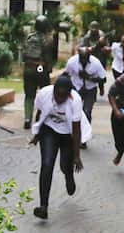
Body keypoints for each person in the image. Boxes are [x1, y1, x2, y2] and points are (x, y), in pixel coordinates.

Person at [28, 75, 87, 220]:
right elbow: (40, 113)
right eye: (57, 95)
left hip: (68, 134)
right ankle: (43, 207)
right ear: (53, 90)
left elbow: (76, 129)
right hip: (49, 130)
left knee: (64, 166)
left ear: (69, 95)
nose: (60, 99)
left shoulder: (76, 101)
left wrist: (77, 156)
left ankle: (69, 175)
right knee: (47, 165)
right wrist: (36, 134)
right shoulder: (44, 94)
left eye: (63, 96)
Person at [21, 15, 56, 129]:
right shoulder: (48, 40)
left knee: (29, 95)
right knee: (44, 94)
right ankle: (39, 116)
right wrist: (48, 69)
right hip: (40, 68)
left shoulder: (29, 37)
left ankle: (27, 118)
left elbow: (23, 54)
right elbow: (48, 58)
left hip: (28, 68)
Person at [64, 45, 105, 127]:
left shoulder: (96, 63)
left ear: (89, 56)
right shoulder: (72, 62)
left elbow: (103, 79)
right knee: (74, 110)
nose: (83, 60)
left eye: (85, 58)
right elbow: (66, 75)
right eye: (81, 58)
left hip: (90, 89)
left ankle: (86, 130)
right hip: (76, 87)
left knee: (87, 111)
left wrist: (89, 78)